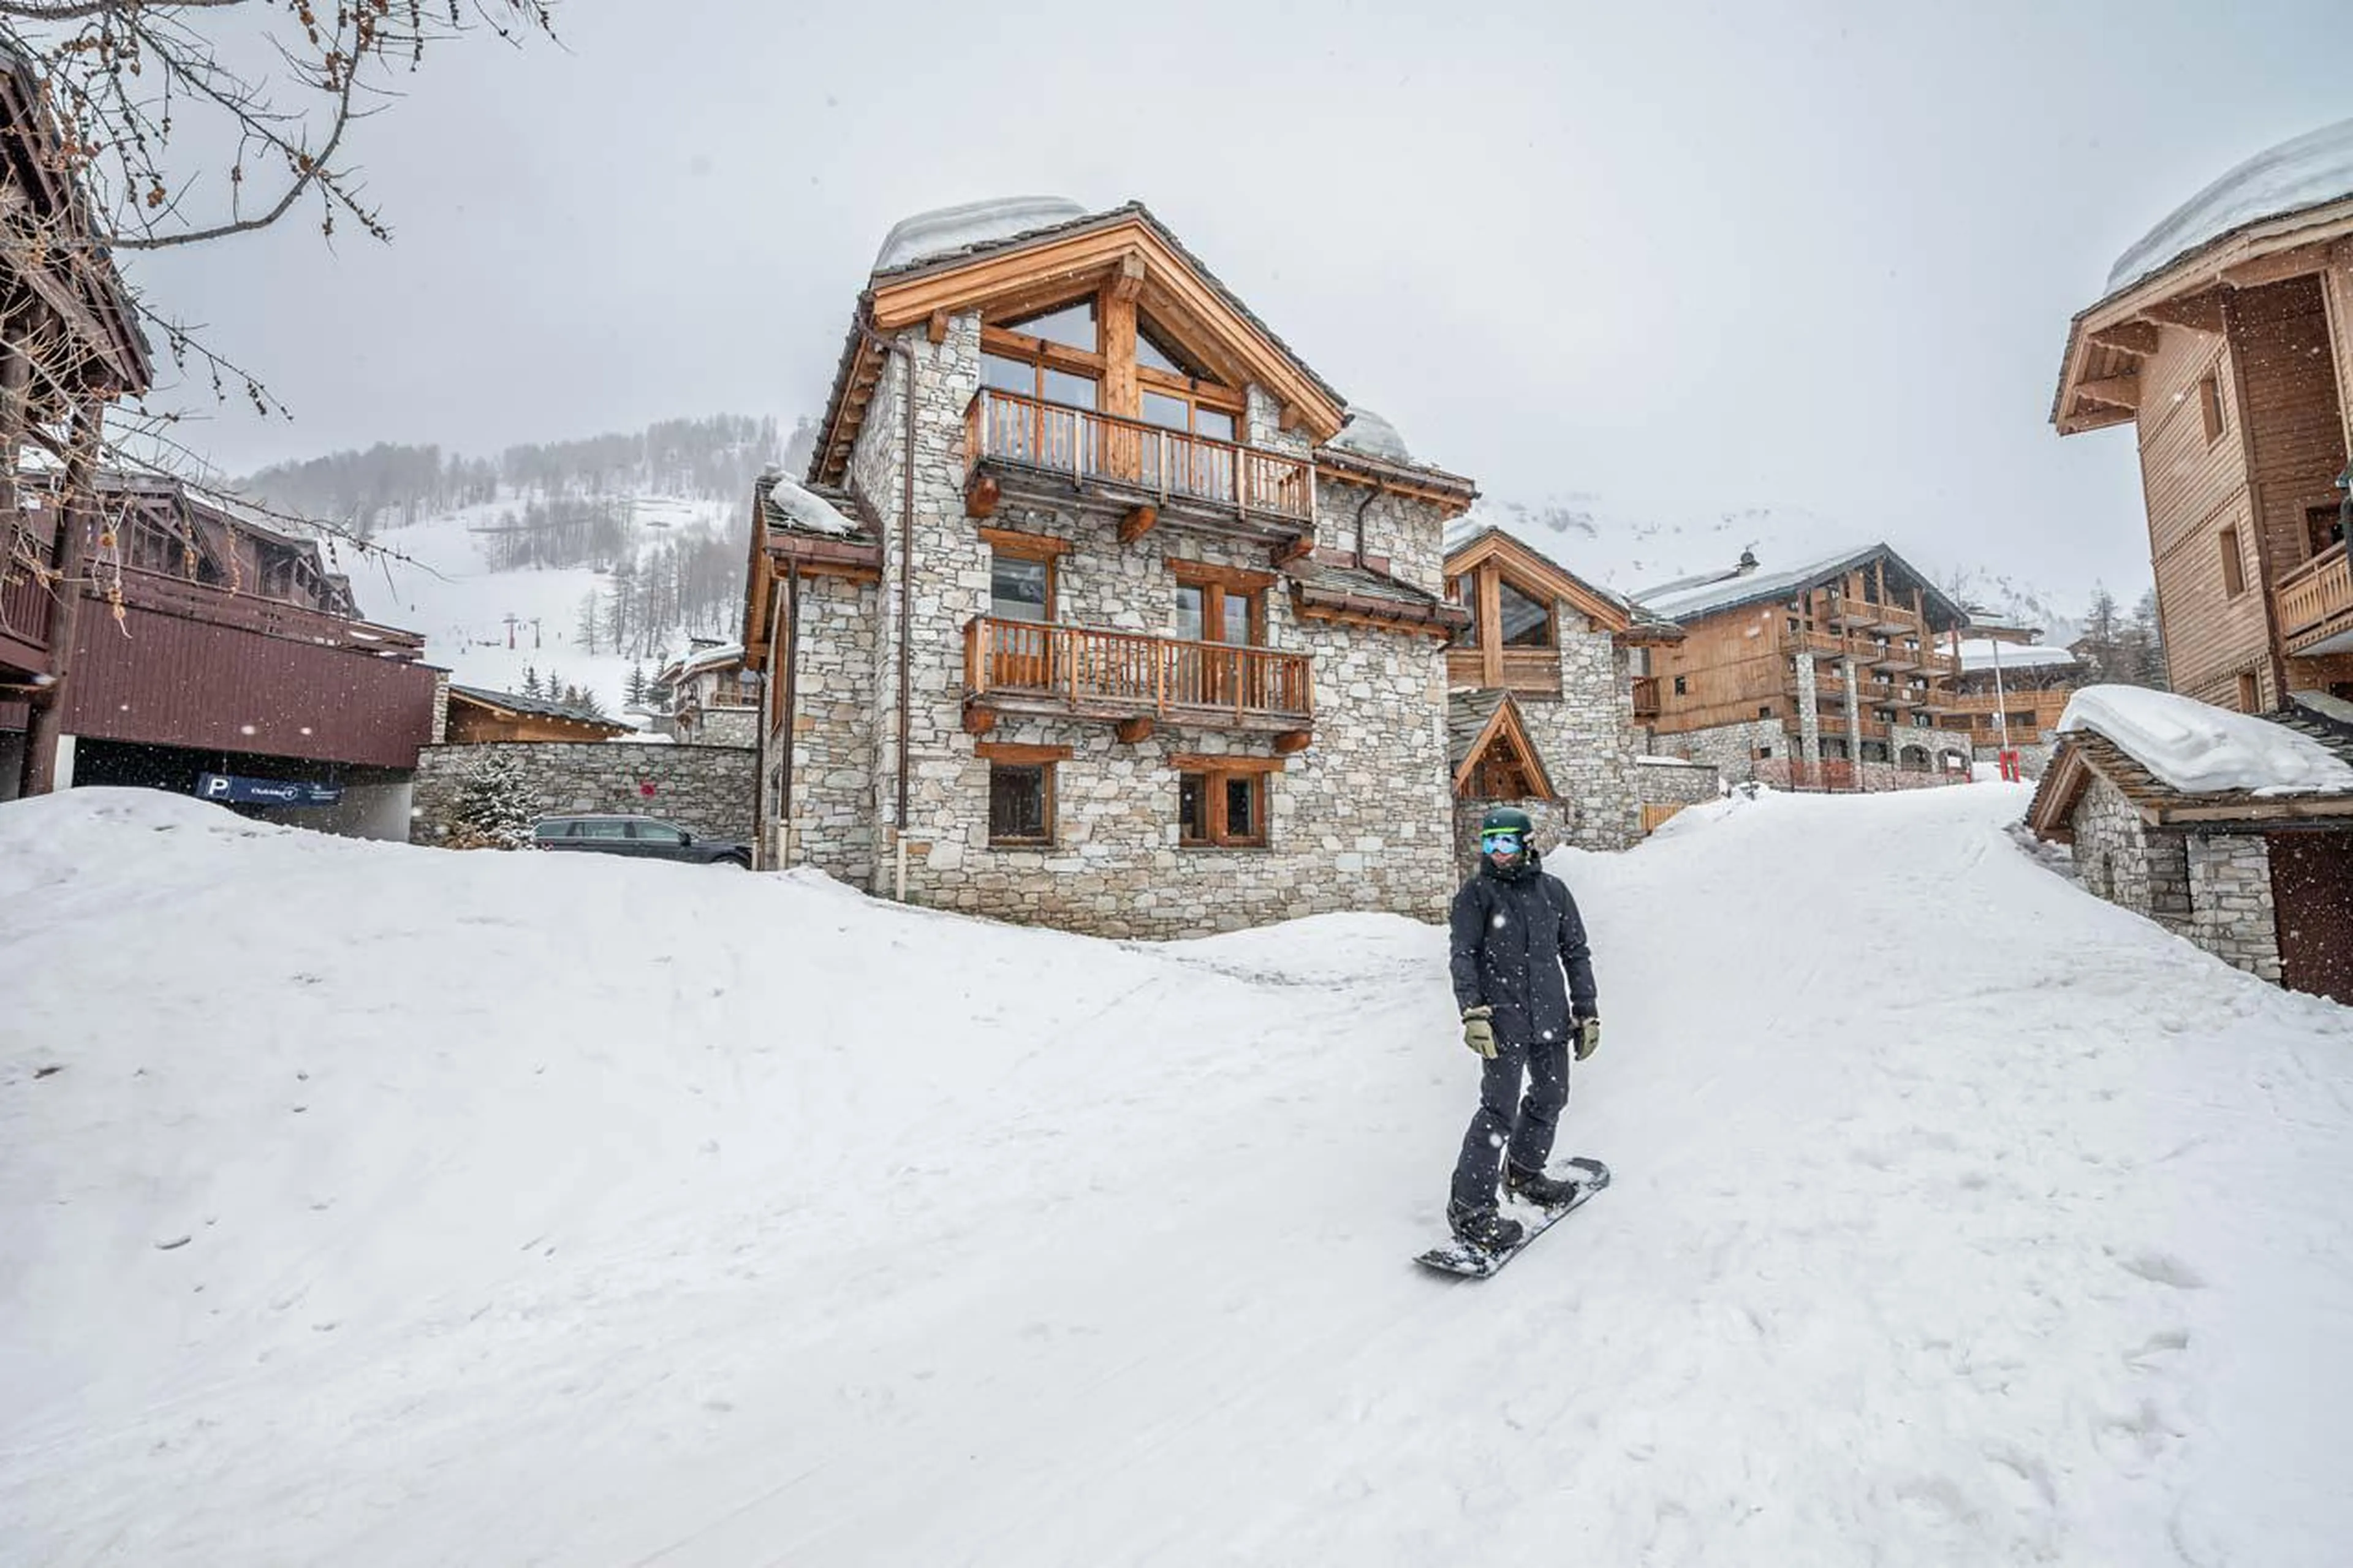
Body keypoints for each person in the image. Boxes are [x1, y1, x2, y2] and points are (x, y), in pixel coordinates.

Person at [1446, 805, 1601, 1250]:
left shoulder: (1554, 892)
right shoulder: (1476, 895)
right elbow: (1463, 956)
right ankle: (1470, 1209)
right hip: (1503, 1021)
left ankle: (1524, 1173)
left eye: (1506, 842)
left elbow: (1576, 952)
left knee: (1552, 1096)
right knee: (1498, 1111)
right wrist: (1473, 1012)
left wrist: (1586, 1011)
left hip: (1551, 1017)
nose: (1497, 851)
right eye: (1489, 842)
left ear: (1527, 844)